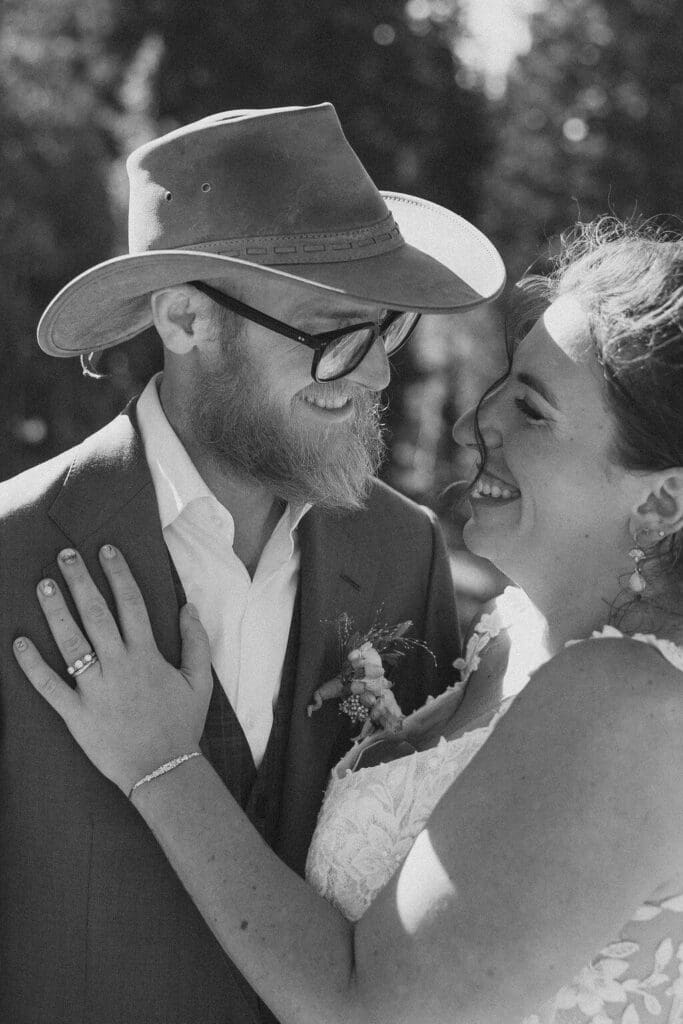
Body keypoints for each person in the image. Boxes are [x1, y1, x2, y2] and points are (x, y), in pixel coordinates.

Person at [15, 218, 683, 1024]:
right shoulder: (506, 628)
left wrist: (163, 766)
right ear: (186, 318)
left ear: (665, 499)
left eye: (534, 412)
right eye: (332, 332)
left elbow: (374, 1003)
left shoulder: (421, 566)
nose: (474, 422)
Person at [0, 104, 506, 1024]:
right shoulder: (9, 553)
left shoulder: (404, 551)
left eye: (384, 330)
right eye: (332, 331)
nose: (376, 376)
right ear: (186, 318)